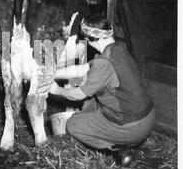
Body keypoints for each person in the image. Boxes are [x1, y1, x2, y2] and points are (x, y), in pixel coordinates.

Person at [39, 13, 155, 159]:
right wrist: (51, 74)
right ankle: (113, 133)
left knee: (73, 125)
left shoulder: (104, 63)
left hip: (133, 126)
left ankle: (118, 148)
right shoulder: (118, 47)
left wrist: (57, 90)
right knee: (91, 102)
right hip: (147, 116)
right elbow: (81, 69)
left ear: (91, 39)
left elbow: (79, 94)